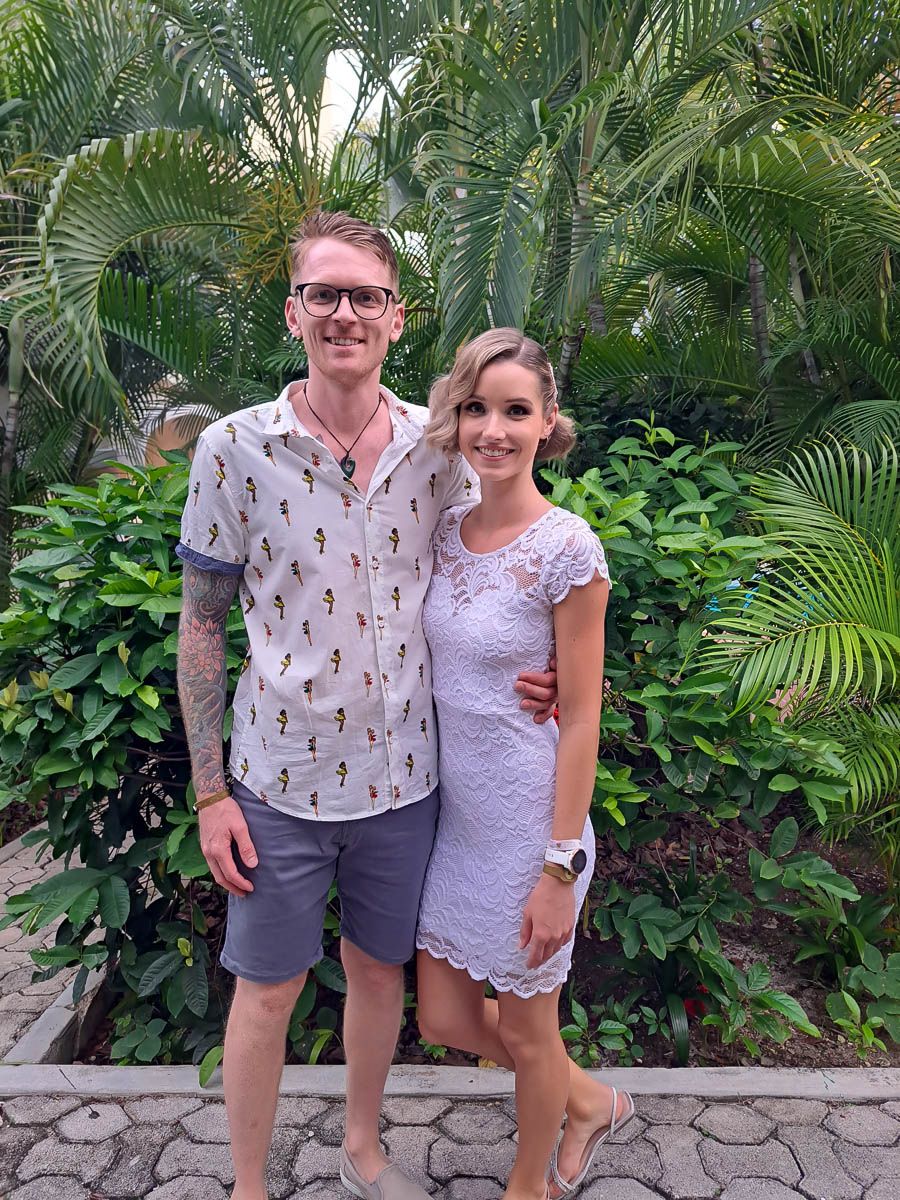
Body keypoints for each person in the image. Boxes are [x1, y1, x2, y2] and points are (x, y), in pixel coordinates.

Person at [175, 212, 557, 1200]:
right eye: (325, 294)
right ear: (294, 310)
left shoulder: (441, 452)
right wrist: (211, 793)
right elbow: (203, 628)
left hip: (405, 782)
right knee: (267, 993)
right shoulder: (230, 450)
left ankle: (361, 1145)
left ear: (397, 319)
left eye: (367, 297)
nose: (345, 313)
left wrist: (546, 665)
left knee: (380, 976)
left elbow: (504, 564)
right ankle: (250, 1187)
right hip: (276, 781)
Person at [415, 329, 634, 1200]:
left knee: (534, 1033)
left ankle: (526, 1186)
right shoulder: (441, 531)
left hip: (532, 826)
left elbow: (580, 715)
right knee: (441, 1017)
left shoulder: (569, 548)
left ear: (549, 423)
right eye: (476, 408)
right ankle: (587, 1100)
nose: (492, 429)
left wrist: (558, 864)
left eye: (515, 410)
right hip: (460, 823)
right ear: (456, 417)